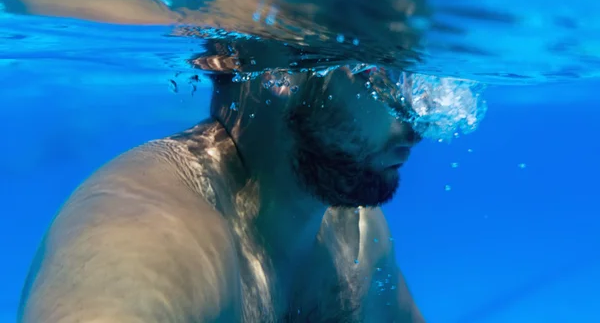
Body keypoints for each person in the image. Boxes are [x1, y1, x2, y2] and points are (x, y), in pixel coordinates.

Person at [18, 66, 426, 322]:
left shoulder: (353, 232)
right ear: (280, 69)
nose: (416, 120)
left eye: (411, 71)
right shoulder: (142, 237)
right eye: (384, 71)